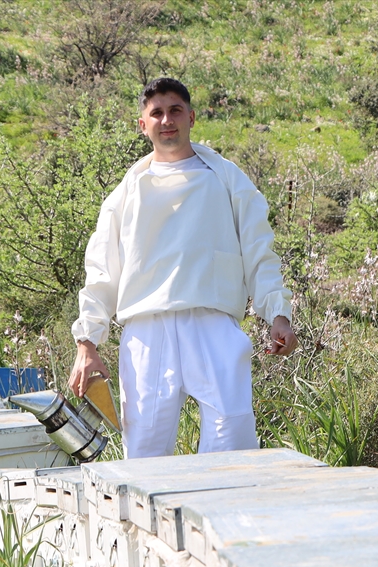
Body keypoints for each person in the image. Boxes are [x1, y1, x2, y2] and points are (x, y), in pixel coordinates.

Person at [69, 77, 297, 459]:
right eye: (156, 113)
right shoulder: (126, 192)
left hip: (213, 322)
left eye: (175, 110)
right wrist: (87, 342)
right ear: (142, 124)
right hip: (146, 330)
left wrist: (278, 313)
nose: (166, 120)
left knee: (233, 443)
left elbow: (259, 249)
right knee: (144, 454)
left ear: (191, 117)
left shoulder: (227, 179)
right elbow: (102, 268)